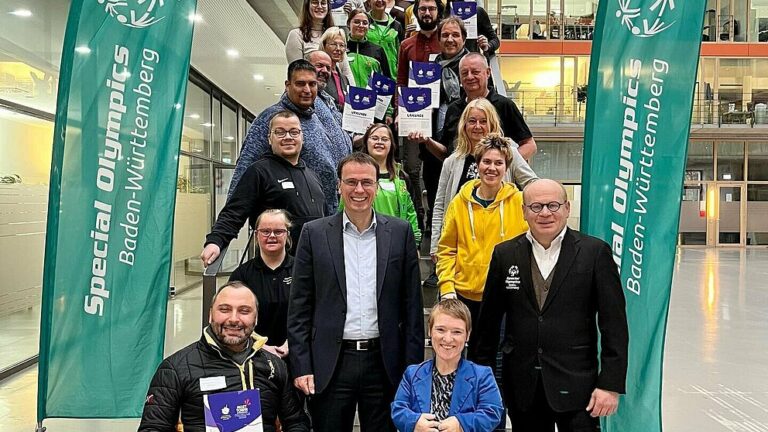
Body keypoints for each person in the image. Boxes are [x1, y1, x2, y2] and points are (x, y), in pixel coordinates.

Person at [470, 179, 629, 432]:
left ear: (567, 208)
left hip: (579, 388)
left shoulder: (595, 253)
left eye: (553, 205)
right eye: (536, 206)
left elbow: (614, 325)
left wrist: (610, 384)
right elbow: (486, 328)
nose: (545, 213)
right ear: (524, 211)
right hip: (523, 387)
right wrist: (479, 381)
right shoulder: (505, 254)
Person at [288, 152, 424, 432]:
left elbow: (412, 307)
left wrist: (413, 370)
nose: (359, 190)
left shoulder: (400, 233)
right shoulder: (314, 234)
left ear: (377, 186)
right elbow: (299, 306)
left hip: (384, 363)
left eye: (366, 182)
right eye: (351, 182)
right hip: (331, 364)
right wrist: (302, 365)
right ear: (339, 186)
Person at [138, 281, 309, 432]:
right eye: (225, 309)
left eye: (244, 311)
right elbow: (153, 427)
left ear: (256, 319)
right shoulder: (175, 369)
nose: (234, 319)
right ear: (210, 315)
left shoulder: (275, 366)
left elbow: (296, 423)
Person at [229, 60, 352, 215]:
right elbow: (246, 164)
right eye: (300, 84)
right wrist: (231, 218)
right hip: (284, 218)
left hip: (321, 215)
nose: (307, 90)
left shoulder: (315, 117)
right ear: (288, 85)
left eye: (312, 84)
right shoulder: (272, 117)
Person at [202, 111, 325, 265]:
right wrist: (215, 241)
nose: (288, 137)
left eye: (294, 132)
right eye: (280, 132)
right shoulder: (259, 171)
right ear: (269, 139)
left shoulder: (313, 176)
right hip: (276, 268)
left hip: (314, 264)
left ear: (302, 137)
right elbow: (234, 212)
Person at [435, 134, 529, 325]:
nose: (492, 168)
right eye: (486, 161)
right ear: (477, 165)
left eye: (498, 163)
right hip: (462, 296)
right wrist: (447, 289)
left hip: (504, 299)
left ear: (506, 167)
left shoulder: (520, 203)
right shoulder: (459, 203)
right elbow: (446, 250)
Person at [430, 98, 537, 261]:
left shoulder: (509, 153)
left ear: (492, 123)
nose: (477, 126)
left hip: (500, 242)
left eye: (483, 121)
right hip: (462, 246)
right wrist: (435, 245)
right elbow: (440, 204)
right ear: (464, 125)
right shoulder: (451, 162)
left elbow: (532, 184)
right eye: (472, 121)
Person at [391, 299, 503, 432]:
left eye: (457, 332)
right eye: (440, 330)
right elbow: (398, 409)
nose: (448, 339)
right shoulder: (412, 374)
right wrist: (414, 422)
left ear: (468, 335)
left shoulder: (482, 376)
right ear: (429, 331)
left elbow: (492, 412)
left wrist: (462, 424)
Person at [396, 0, 443, 233]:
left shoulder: (445, 41)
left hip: (439, 116)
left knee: (436, 168)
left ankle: (435, 217)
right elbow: (401, 80)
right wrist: (399, 111)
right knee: (412, 169)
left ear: (438, 12)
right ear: (416, 13)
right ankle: (418, 214)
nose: (427, 13)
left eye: (431, 9)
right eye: (423, 9)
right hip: (413, 113)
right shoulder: (406, 45)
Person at [440, 52, 537, 159]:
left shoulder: (504, 105)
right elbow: (446, 151)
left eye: (475, 72)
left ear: (488, 72)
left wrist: (505, 164)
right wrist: (427, 140)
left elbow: (529, 145)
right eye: (464, 73)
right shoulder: (453, 109)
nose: (470, 76)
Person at [228, 210, 296, 359]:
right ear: (256, 234)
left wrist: (291, 343)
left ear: (287, 234)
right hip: (252, 355)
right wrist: (261, 346)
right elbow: (233, 318)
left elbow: (313, 312)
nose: (271, 236)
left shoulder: (302, 270)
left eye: (278, 231)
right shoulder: (242, 275)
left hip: (296, 353)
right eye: (265, 231)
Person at [355, 123, 421, 244]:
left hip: (395, 243)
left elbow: (411, 214)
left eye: (385, 139)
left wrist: (415, 243)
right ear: (366, 142)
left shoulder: (402, 177)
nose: (379, 142)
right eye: (374, 138)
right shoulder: (354, 176)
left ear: (391, 144)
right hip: (362, 242)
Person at [286, 0, 355, 84]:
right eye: (315, 2)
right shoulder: (296, 35)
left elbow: (346, 72)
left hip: (336, 89)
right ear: (307, 6)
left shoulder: (336, 35)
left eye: (323, 3)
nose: (319, 6)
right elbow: (297, 72)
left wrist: (352, 91)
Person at [346, 9, 392, 86]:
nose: (361, 25)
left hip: (370, 93)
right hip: (347, 93)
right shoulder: (341, 49)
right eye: (356, 22)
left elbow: (387, 82)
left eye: (365, 23)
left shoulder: (378, 50)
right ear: (348, 24)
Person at [367, 0, 405, 79]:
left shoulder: (396, 25)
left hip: (391, 76)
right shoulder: (363, 23)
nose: (379, 0)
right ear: (369, 1)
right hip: (368, 74)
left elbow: (401, 54)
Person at [320, 26, 354, 108]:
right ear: (324, 45)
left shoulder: (344, 79)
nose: (338, 49)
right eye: (333, 44)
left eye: (342, 45)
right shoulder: (319, 74)